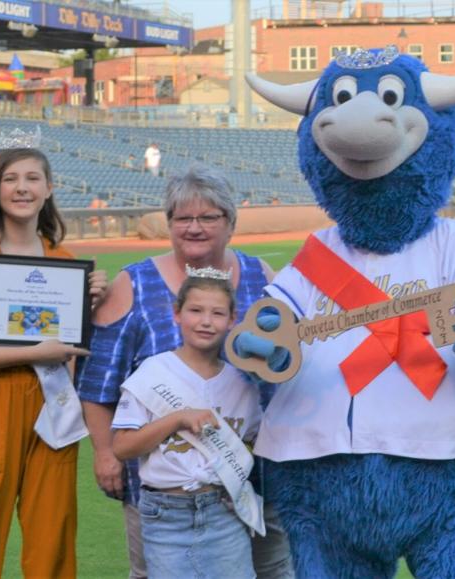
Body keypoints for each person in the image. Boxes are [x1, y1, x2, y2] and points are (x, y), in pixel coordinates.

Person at [77, 165, 292, 579]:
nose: (194, 227)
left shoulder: (261, 276)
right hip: (164, 488)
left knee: (271, 571)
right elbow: (98, 382)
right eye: (183, 218)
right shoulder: (133, 284)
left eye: (208, 217)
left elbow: (286, 366)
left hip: (253, 477)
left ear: (230, 223)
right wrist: (104, 453)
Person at [0, 147, 107, 577]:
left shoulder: (66, 264)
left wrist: (91, 305)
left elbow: (76, 342)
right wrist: (34, 353)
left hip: (53, 407)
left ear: (49, 189)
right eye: (10, 178)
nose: (22, 188)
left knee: (54, 541)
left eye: (32, 178)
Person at [112, 275, 264, 578]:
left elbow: (256, 441)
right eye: (195, 310)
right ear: (177, 313)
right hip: (166, 515)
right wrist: (177, 419)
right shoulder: (153, 372)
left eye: (217, 313)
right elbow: (122, 447)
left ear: (232, 319)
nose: (206, 321)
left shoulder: (243, 382)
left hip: (225, 512)